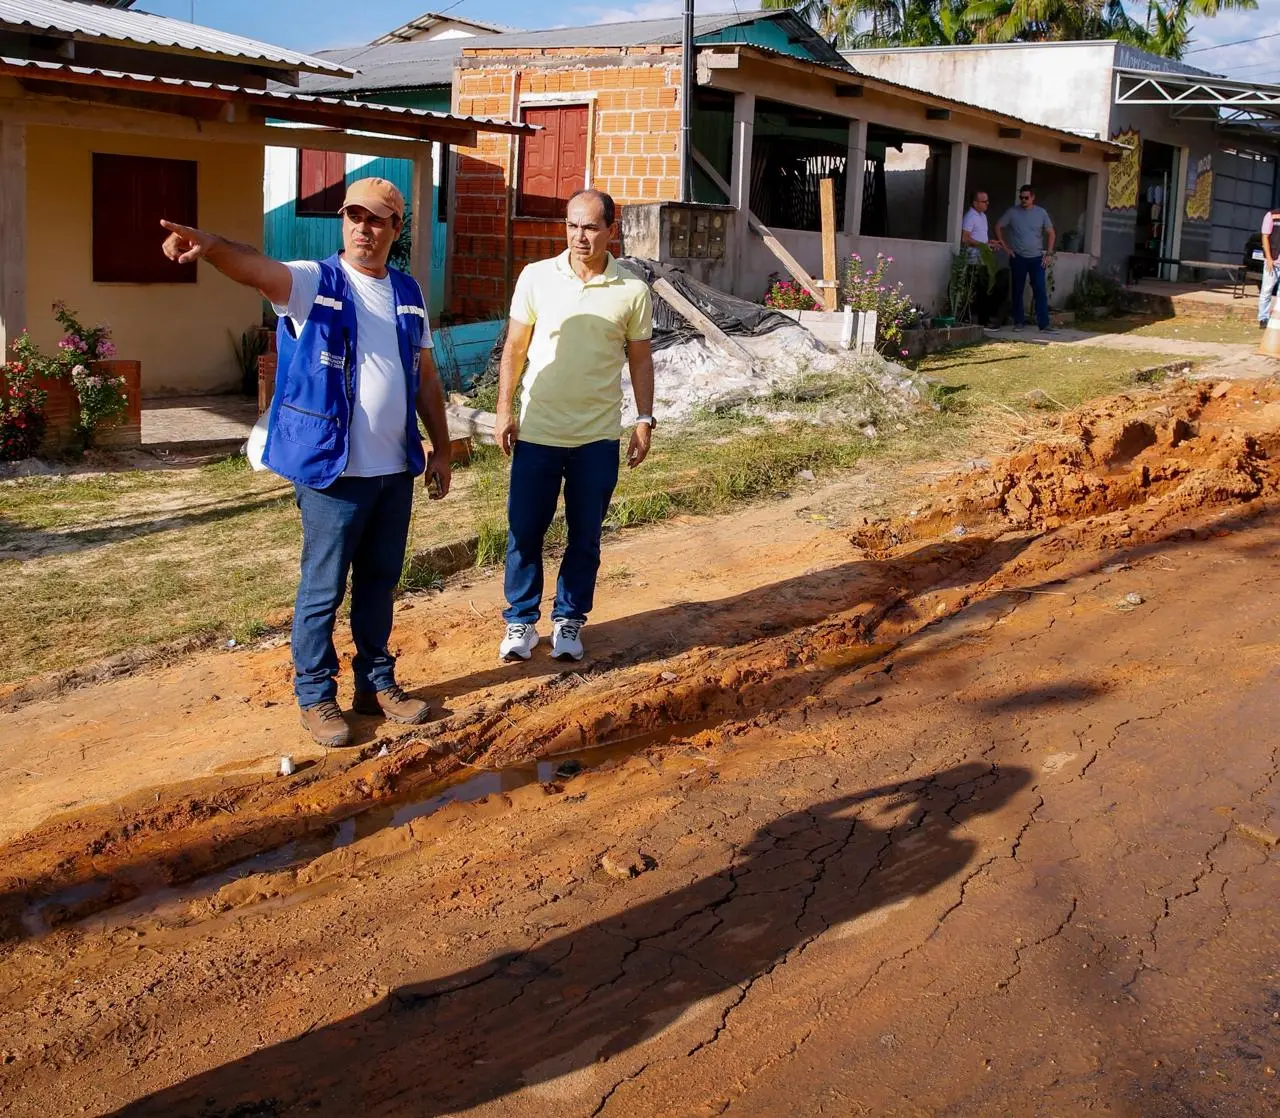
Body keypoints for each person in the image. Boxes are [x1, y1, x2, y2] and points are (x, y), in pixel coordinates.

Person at [160, 178, 453, 748]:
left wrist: (440, 447)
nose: (363, 228)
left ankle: (375, 685)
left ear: (396, 228)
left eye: (376, 219)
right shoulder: (316, 282)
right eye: (354, 217)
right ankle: (316, 696)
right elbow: (258, 269)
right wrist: (213, 246)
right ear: (343, 222)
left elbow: (425, 376)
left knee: (379, 584)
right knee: (323, 589)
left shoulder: (408, 291)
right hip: (331, 473)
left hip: (393, 471)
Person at [493, 188, 655, 664]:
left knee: (585, 536)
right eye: (571, 225)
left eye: (589, 227)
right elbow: (514, 348)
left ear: (611, 231)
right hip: (538, 432)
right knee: (524, 532)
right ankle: (521, 621)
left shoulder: (632, 291)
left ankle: (569, 619)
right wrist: (504, 409)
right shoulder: (536, 277)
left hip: (597, 438)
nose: (579, 236)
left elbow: (640, 360)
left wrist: (644, 419)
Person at [997, 184, 1056, 333]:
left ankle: (1044, 324)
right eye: (1021, 197)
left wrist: (1049, 254)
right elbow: (998, 226)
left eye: (1026, 197)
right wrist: (1006, 247)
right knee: (1017, 290)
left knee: (1040, 290)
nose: (1023, 200)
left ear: (1033, 197)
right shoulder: (1012, 212)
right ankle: (1019, 322)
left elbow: (1051, 233)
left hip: (1036, 258)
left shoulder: (1041, 213)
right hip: (1018, 257)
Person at [960, 189, 1001, 327]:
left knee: (987, 290)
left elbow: (981, 238)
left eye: (987, 201)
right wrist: (983, 246)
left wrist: (991, 244)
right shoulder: (970, 217)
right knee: (977, 292)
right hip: (973, 260)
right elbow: (965, 238)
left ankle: (985, 319)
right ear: (975, 203)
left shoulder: (983, 216)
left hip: (983, 259)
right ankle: (977, 321)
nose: (987, 203)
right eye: (984, 201)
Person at [1259, 206, 1280, 328]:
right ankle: (1263, 318)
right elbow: (1265, 236)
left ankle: (1277, 319)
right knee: (1266, 290)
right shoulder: (1272, 215)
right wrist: (1269, 258)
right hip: (1273, 261)